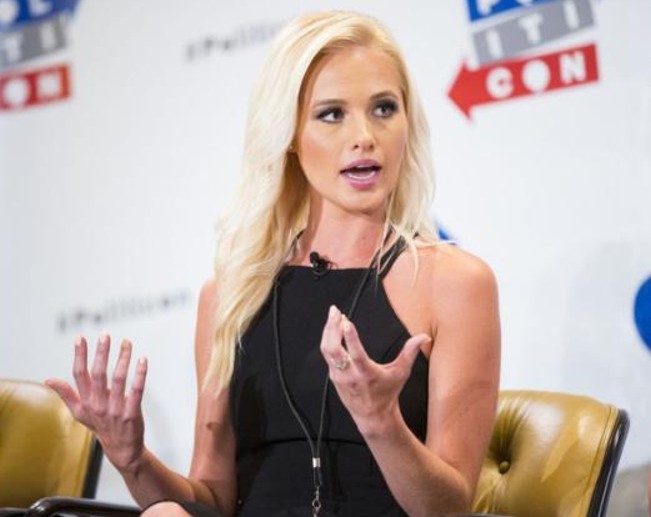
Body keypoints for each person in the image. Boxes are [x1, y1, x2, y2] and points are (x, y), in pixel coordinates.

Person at [45, 10, 500, 517]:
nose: (365, 135)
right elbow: (212, 497)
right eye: (332, 114)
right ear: (289, 136)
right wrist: (132, 462)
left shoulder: (455, 283)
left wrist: (380, 422)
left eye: (383, 108)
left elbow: (449, 508)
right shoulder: (231, 294)